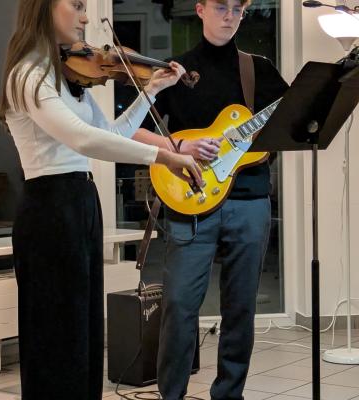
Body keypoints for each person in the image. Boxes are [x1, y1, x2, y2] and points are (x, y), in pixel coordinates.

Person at [0, 0, 202, 399]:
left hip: (81, 200)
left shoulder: (67, 76)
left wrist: (151, 91)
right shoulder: (27, 74)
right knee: (56, 332)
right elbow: (83, 139)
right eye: (77, 5)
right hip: (50, 207)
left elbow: (112, 135)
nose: (86, 17)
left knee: (84, 328)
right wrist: (164, 155)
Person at [135, 1, 289, 399]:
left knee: (240, 308)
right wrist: (179, 144)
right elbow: (132, 130)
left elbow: (291, 121)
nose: (229, 16)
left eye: (237, 9)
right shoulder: (176, 70)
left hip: (250, 199)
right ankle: (171, 394)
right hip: (189, 199)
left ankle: (229, 394)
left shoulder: (259, 70)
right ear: (200, 9)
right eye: (221, 6)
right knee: (179, 305)